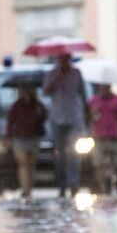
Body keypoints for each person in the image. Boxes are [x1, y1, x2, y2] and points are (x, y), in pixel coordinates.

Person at [42, 54, 88, 198]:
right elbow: (46, 91)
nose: (64, 62)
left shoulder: (77, 73)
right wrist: (57, 78)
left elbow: (83, 95)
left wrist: (87, 114)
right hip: (57, 119)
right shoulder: (51, 73)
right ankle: (62, 185)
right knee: (60, 155)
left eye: (67, 59)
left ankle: (74, 184)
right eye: (62, 59)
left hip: (75, 118)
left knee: (74, 154)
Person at [89, 83, 117, 196]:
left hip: (114, 136)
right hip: (99, 137)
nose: (103, 89)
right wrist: (92, 114)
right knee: (99, 164)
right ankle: (103, 187)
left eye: (105, 87)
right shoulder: (93, 101)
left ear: (109, 87)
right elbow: (88, 117)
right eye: (101, 87)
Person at [6, 83, 47, 199]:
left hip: (33, 136)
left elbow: (43, 118)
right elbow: (10, 121)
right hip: (20, 137)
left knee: (31, 164)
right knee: (23, 163)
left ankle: (29, 188)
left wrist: (40, 113)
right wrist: (9, 137)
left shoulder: (37, 105)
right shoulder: (16, 106)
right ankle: (25, 188)